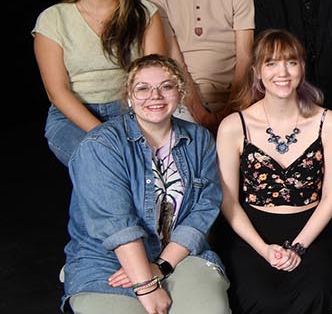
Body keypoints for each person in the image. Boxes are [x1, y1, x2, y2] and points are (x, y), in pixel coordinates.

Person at [62, 55, 228, 314]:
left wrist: (161, 266)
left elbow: (204, 208)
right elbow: (115, 222)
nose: (155, 96)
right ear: (129, 95)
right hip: (107, 262)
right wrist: (146, 285)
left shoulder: (200, 140)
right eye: (143, 88)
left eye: (166, 86)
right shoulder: (100, 145)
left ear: (180, 92)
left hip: (177, 255)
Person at [216, 30, 332, 314]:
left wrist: (298, 247)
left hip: (312, 229)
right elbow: (229, 201)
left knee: (315, 295)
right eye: (271, 63)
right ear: (257, 72)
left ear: (302, 68)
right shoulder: (233, 126)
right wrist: (263, 249)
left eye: (291, 62)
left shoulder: (330, 122)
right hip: (252, 232)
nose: (282, 72)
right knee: (259, 301)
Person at [36, 0, 168, 165]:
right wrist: (105, 135)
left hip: (132, 111)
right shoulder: (53, 18)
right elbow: (57, 92)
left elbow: (155, 79)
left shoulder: (145, 13)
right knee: (100, 162)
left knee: (140, 167)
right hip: (72, 116)